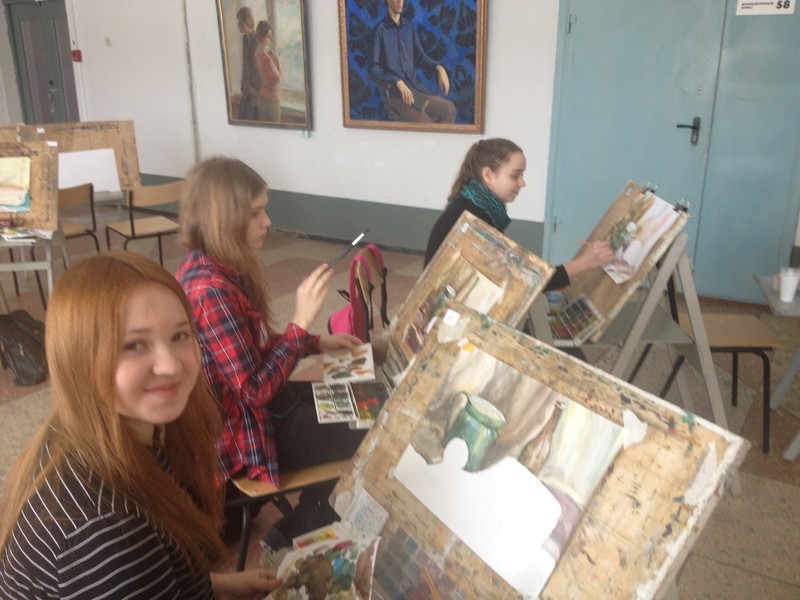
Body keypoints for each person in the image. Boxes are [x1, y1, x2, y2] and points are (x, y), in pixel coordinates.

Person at [0, 252, 280, 598]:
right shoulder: (104, 534)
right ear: (79, 358)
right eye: (134, 344)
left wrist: (217, 586)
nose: (171, 365)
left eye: (180, 335)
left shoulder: (87, 432)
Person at [175, 157, 366, 549]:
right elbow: (254, 390)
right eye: (255, 213)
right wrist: (301, 323)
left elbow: (250, 351)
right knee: (369, 427)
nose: (267, 222)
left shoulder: (216, 268)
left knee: (362, 402)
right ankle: (307, 520)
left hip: (259, 412)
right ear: (223, 219)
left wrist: (315, 342)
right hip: (247, 433)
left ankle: (311, 511)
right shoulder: (210, 291)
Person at [424, 138, 613, 291]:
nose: (522, 183)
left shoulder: (479, 206)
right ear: (488, 175)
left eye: (522, 175)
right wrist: (584, 263)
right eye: (515, 176)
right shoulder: (472, 216)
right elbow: (520, 281)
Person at [369, 0, 457, 124]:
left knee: (449, 109)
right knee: (427, 125)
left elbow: (421, 58)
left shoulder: (409, 27)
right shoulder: (380, 30)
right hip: (396, 95)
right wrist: (397, 81)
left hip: (417, 91)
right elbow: (373, 69)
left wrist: (439, 68)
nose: (400, 1)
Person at [236, 6, 261, 121]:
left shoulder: (256, 40)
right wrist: (244, 87)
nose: (238, 25)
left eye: (240, 22)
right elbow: (245, 66)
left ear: (248, 21)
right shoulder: (245, 39)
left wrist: (253, 89)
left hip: (254, 91)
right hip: (246, 90)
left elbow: (257, 69)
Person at [255, 20, 282, 122]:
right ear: (262, 38)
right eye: (268, 36)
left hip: (262, 97)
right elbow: (279, 78)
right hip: (272, 100)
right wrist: (277, 60)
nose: (270, 39)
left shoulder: (256, 54)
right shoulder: (268, 59)